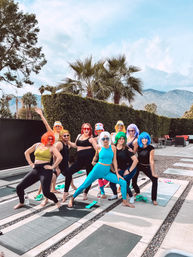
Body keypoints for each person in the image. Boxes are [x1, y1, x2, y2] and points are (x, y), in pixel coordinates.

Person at [68, 131, 135, 208]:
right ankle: (72, 198)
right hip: (97, 170)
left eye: (107, 138)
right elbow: (95, 158)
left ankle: (124, 202)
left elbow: (114, 160)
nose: (105, 140)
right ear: (101, 139)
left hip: (106, 172)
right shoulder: (99, 147)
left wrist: (117, 173)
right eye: (103, 138)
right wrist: (93, 162)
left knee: (123, 182)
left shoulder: (113, 148)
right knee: (85, 185)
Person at [14, 131, 62, 209]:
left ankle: (57, 202)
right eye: (48, 138)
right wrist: (30, 163)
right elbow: (26, 152)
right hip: (36, 169)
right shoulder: (37, 145)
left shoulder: (52, 147)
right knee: (19, 187)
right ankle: (21, 202)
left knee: (46, 193)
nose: (50, 140)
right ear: (44, 138)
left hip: (45, 171)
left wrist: (52, 167)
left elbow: (60, 157)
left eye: (51, 139)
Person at [35, 108, 76, 194]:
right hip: (53, 156)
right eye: (56, 126)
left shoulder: (63, 135)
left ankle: (70, 185)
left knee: (67, 171)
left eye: (59, 126)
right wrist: (41, 115)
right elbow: (46, 124)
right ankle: (41, 191)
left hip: (61, 156)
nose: (57, 127)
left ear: (61, 127)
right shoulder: (52, 133)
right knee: (49, 174)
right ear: (54, 127)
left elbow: (70, 144)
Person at [63, 123, 97, 202]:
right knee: (68, 172)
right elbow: (75, 145)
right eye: (84, 128)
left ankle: (85, 192)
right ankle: (65, 192)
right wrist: (67, 141)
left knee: (89, 177)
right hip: (79, 161)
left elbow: (97, 149)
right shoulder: (79, 136)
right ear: (82, 129)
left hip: (89, 160)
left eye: (88, 129)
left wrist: (95, 159)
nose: (86, 130)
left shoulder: (91, 139)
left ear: (90, 130)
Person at [109, 132, 138, 204]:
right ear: (117, 139)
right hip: (120, 169)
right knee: (112, 182)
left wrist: (129, 170)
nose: (121, 140)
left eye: (123, 139)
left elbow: (136, 160)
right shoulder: (113, 148)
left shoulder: (126, 148)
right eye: (120, 138)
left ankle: (131, 196)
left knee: (123, 181)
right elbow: (112, 160)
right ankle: (115, 194)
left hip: (130, 168)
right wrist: (115, 170)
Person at [132, 132, 158, 205]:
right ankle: (137, 191)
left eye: (146, 138)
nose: (144, 140)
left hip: (146, 166)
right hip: (138, 165)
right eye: (143, 138)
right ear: (140, 139)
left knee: (155, 180)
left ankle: (154, 199)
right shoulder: (139, 146)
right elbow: (133, 152)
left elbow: (151, 161)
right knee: (133, 180)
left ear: (148, 139)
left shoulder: (151, 148)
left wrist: (153, 173)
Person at [94, 123, 109, 199]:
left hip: (108, 160)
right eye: (97, 130)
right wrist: (94, 160)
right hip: (100, 159)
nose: (99, 131)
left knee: (107, 177)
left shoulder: (107, 136)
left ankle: (102, 186)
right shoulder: (95, 139)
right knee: (99, 177)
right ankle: (102, 191)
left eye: (100, 130)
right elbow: (96, 150)